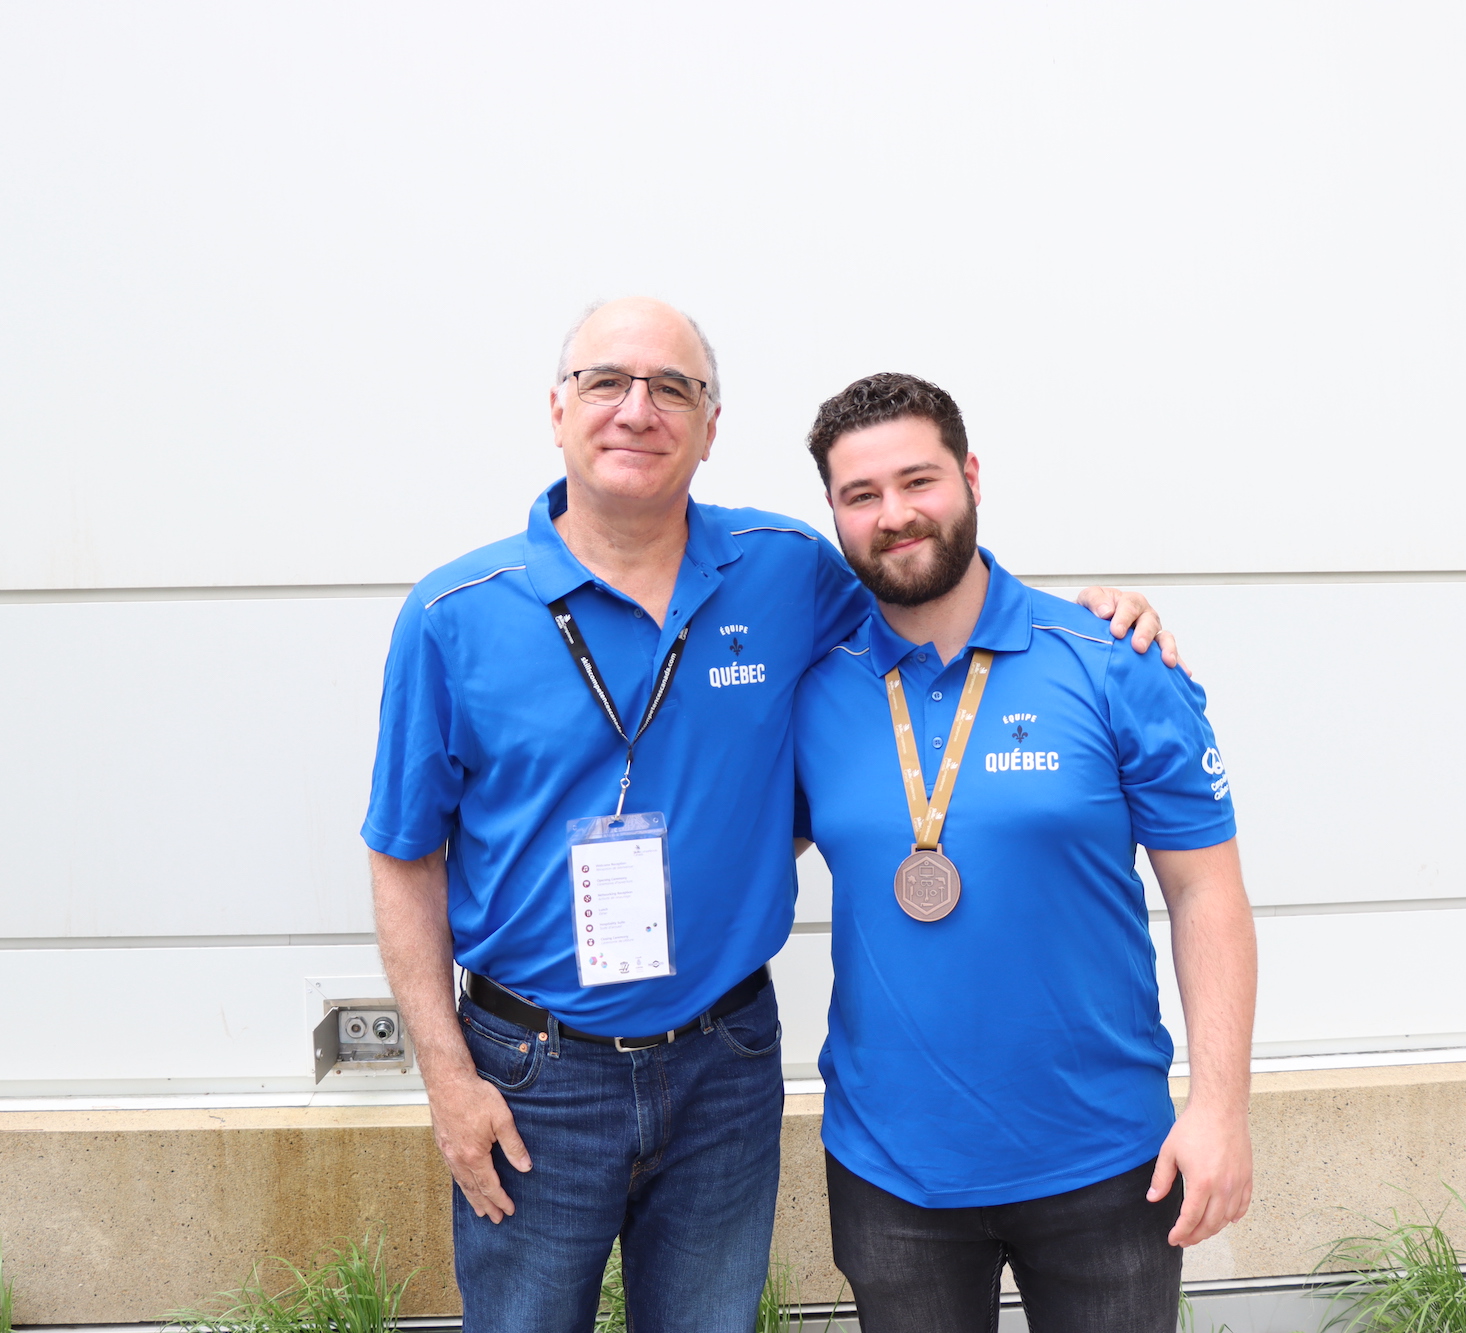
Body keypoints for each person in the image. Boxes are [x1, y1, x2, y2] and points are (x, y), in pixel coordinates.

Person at [364, 300, 1182, 1333]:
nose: (637, 409)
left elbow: (924, 590)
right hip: (532, 1072)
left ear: (710, 428)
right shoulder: (453, 616)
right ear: (557, 409)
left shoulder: (784, 569)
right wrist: (446, 1076)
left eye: (674, 388)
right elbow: (402, 855)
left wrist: (1091, 616)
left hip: (724, 1060)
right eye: (607, 382)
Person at [791, 373, 1257, 1333]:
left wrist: (1220, 1107)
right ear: (834, 514)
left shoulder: (1113, 657)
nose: (895, 514)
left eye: (918, 480)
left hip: (1107, 1160)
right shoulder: (809, 690)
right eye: (861, 495)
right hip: (893, 1170)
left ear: (969, 476)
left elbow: (1206, 891)